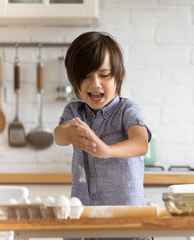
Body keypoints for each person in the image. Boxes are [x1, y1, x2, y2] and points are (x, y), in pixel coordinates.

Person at [54, 31, 151, 240]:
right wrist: (68, 132)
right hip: (83, 224)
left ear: (118, 75)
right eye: (86, 76)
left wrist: (108, 151)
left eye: (104, 75)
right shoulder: (74, 112)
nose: (95, 83)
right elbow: (59, 137)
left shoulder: (128, 110)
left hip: (128, 226)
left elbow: (141, 143)